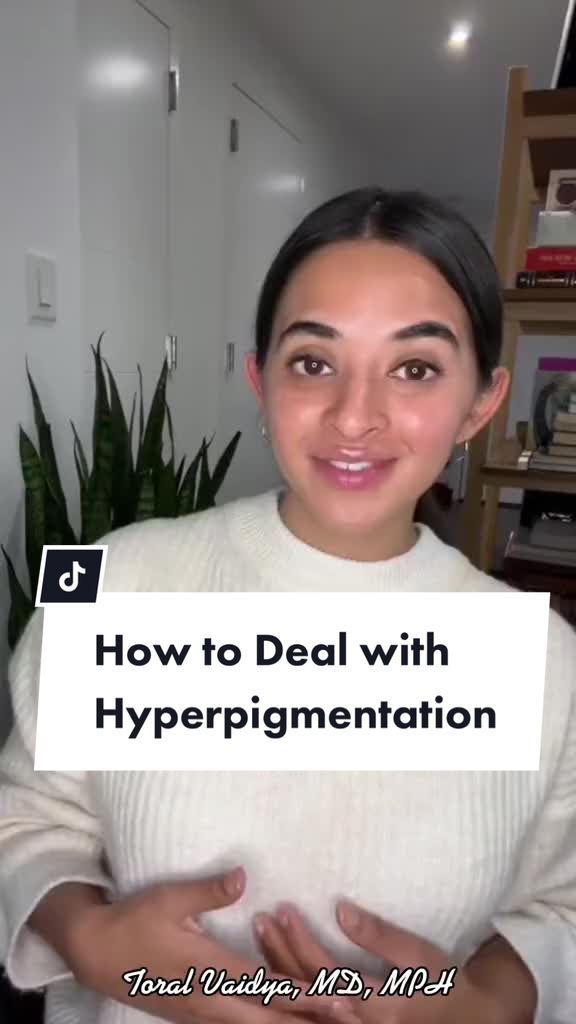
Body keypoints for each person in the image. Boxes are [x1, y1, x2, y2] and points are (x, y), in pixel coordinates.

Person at [0, 187, 575, 1024]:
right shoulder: (111, 580)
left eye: (415, 368)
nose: (354, 417)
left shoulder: (546, 661)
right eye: (313, 362)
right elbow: (24, 816)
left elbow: (562, 904)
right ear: (260, 380)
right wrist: (87, 937)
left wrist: (494, 1000)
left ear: (480, 404)